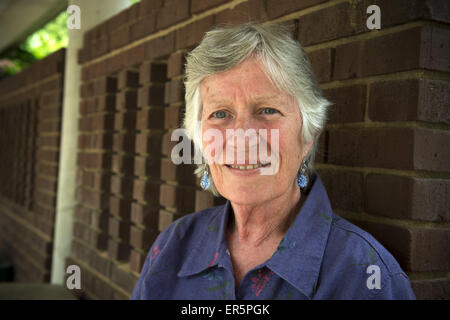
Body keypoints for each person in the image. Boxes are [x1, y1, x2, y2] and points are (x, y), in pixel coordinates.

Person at [131, 23, 416, 300]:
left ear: (308, 137)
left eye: (267, 110)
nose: (242, 137)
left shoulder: (366, 276)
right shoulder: (172, 246)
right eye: (220, 113)